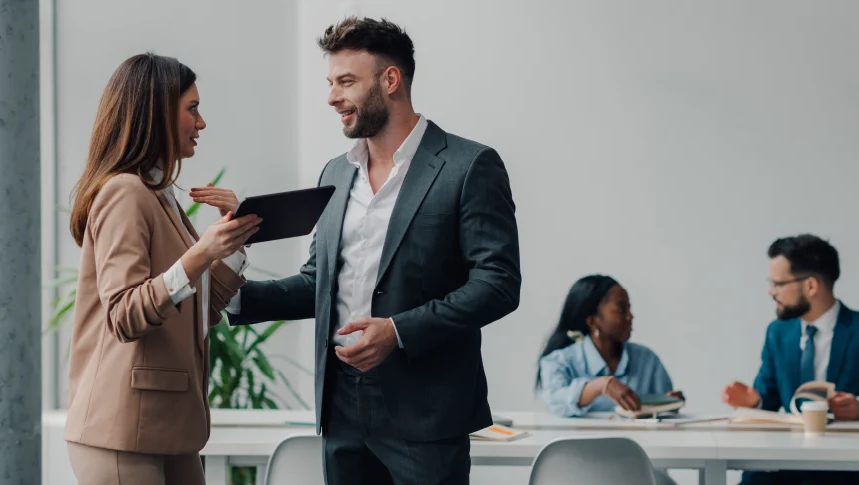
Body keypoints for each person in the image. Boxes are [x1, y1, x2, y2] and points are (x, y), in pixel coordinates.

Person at [193, 17, 520, 485]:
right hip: (341, 406)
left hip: (426, 413)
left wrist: (396, 331)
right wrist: (224, 294)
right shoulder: (335, 173)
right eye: (330, 82)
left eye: (346, 81)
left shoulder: (469, 166)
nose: (331, 97)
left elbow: (498, 284)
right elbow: (317, 283)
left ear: (391, 81)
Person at [64, 53, 261, 485]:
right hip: (121, 431)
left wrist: (231, 243)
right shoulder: (125, 192)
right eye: (192, 109)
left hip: (167, 428)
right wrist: (199, 255)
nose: (202, 122)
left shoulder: (159, 194)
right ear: (155, 112)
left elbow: (194, 313)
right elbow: (124, 314)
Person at [722, 234, 859, 485]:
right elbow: (769, 399)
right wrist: (754, 402)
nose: (771, 292)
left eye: (778, 284)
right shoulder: (778, 333)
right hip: (785, 462)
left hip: (847, 466)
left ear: (811, 286)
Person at [537, 275, 683, 417]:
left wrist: (670, 403)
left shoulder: (647, 359)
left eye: (629, 308)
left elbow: (663, 414)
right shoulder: (558, 361)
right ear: (593, 321)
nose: (630, 316)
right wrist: (601, 385)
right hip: (583, 441)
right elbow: (556, 401)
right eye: (621, 309)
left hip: (638, 441)